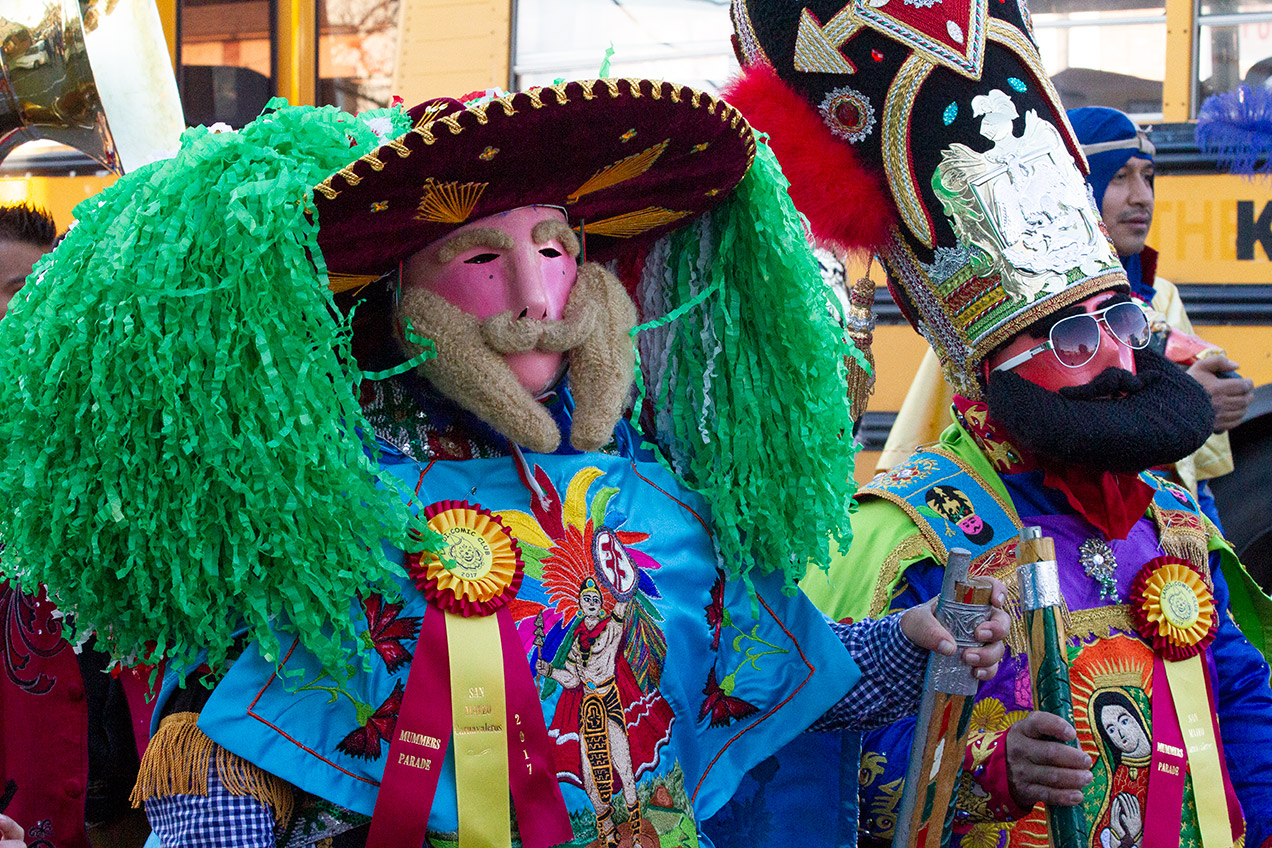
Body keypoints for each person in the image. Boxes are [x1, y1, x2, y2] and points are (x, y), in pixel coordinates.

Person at [0, 86, 1007, 847]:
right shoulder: (334, 518)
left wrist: (910, 643)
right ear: (403, 294)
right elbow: (230, 771)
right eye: (482, 258)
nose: (538, 292)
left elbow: (768, 670)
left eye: (556, 246)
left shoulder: (659, 494)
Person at [726, 1, 1272, 846]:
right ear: (987, 367)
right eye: (1074, 338)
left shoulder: (1172, 513)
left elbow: (1238, 694)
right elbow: (828, 770)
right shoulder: (910, 534)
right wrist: (989, 771)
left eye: (1122, 325)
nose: (1120, 363)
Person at [876, 109, 1254, 532]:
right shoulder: (996, 318)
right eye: (1119, 177)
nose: (1142, 197)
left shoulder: (1161, 295)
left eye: (1148, 177)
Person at [0, 202, 152, 848]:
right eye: (10, 293)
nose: (16, 314)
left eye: (32, 292)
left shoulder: (117, 437)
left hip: (123, 803)